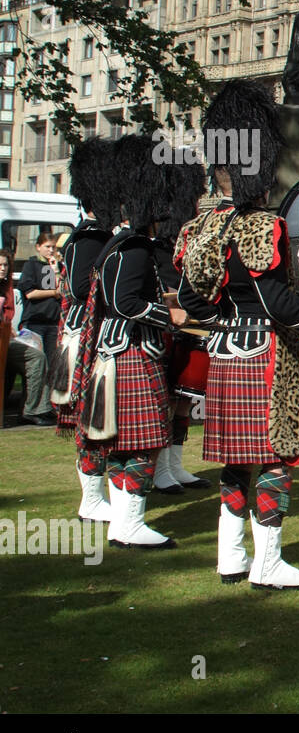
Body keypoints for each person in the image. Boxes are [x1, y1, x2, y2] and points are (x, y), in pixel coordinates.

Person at [177, 80, 299, 588]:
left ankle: (231, 556)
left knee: (237, 460)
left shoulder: (208, 226)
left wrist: (223, 324)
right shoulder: (265, 226)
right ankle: (270, 563)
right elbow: (276, 301)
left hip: (227, 355)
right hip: (266, 356)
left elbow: (192, 299)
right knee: (279, 455)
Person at [79, 135, 189, 550]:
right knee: (143, 442)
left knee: (122, 444)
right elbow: (125, 302)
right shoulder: (137, 248)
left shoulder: (118, 244)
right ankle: (129, 524)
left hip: (115, 349)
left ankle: (124, 521)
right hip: (132, 350)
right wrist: (168, 314)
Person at [54, 138, 117, 520]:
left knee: (97, 415)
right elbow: (81, 289)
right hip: (87, 334)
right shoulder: (90, 237)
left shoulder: (91, 235)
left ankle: (98, 494)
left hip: (87, 331)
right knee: (91, 416)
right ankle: (91, 498)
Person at [150, 159, 211, 494]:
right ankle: (160, 469)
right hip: (166, 328)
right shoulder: (158, 246)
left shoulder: (191, 241)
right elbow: (158, 289)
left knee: (184, 400)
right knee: (167, 401)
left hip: (191, 326)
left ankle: (175, 465)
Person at [2, 249, 52, 426]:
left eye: (6, 265)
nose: (3, 269)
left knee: (37, 356)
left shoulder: (6, 287)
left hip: (5, 340)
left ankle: (35, 409)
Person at [16, 232, 62, 381]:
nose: (50, 250)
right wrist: (52, 292)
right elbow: (30, 293)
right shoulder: (31, 265)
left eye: (53, 247)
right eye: (47, 247)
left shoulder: (57, 267)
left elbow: (62, 291)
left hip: (53, 323)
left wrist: (55, 271)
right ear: (38, 247)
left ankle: (48, 400)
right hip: (35, 322)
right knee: (34, 366)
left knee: (51, 365)